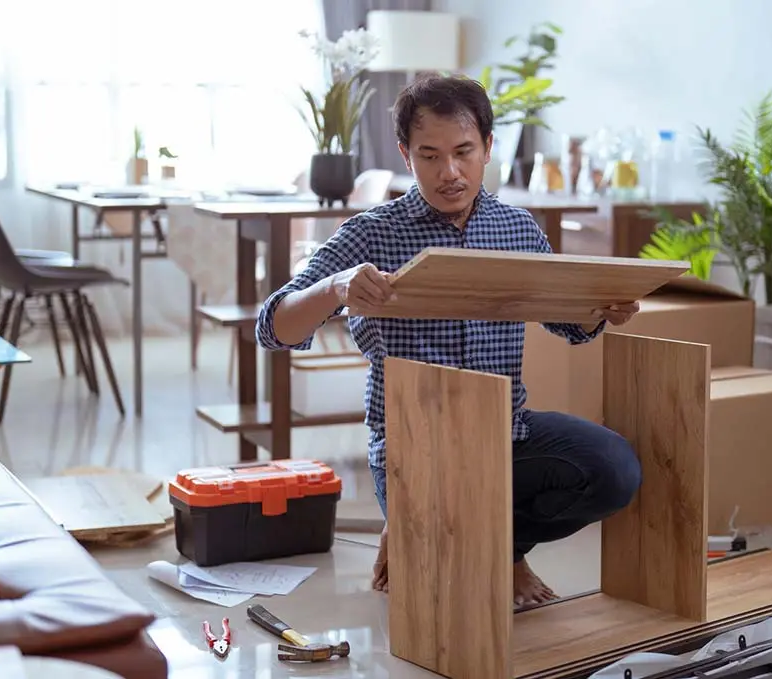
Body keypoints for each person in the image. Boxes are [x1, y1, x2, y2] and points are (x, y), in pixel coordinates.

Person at [255, 74, 643, 607]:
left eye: (463, 152)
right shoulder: (373, 232)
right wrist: (335, 288)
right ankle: (432, 532)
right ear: (405, 156)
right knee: (448, 594)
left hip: (506, 432)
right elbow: (273, 327)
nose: (450, 172)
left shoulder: (517, 229)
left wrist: (603, 310)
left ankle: (503, 551)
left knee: (614, 470)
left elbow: (569, 323)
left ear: (488, 147)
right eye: (430, 155)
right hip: (413, 447)